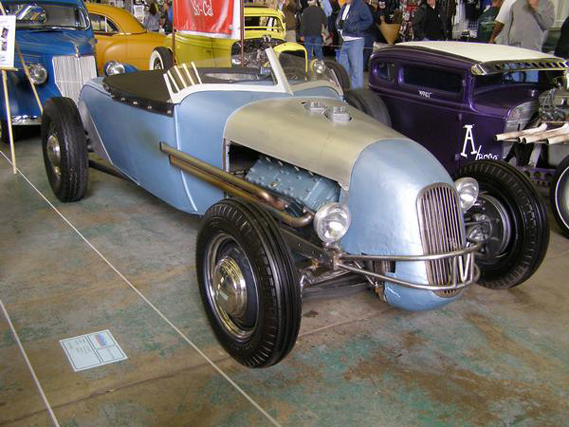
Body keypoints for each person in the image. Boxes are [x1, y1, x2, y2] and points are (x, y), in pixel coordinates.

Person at [336, 0, 373, 89]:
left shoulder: (361, 5)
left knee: (356, 70)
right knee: (342, 69)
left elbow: (369, 20)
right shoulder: (345, 6)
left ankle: (357, 94)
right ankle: (344, 91)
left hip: (355, 40)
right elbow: (341, 21)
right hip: (345, 40)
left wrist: (356, 28)